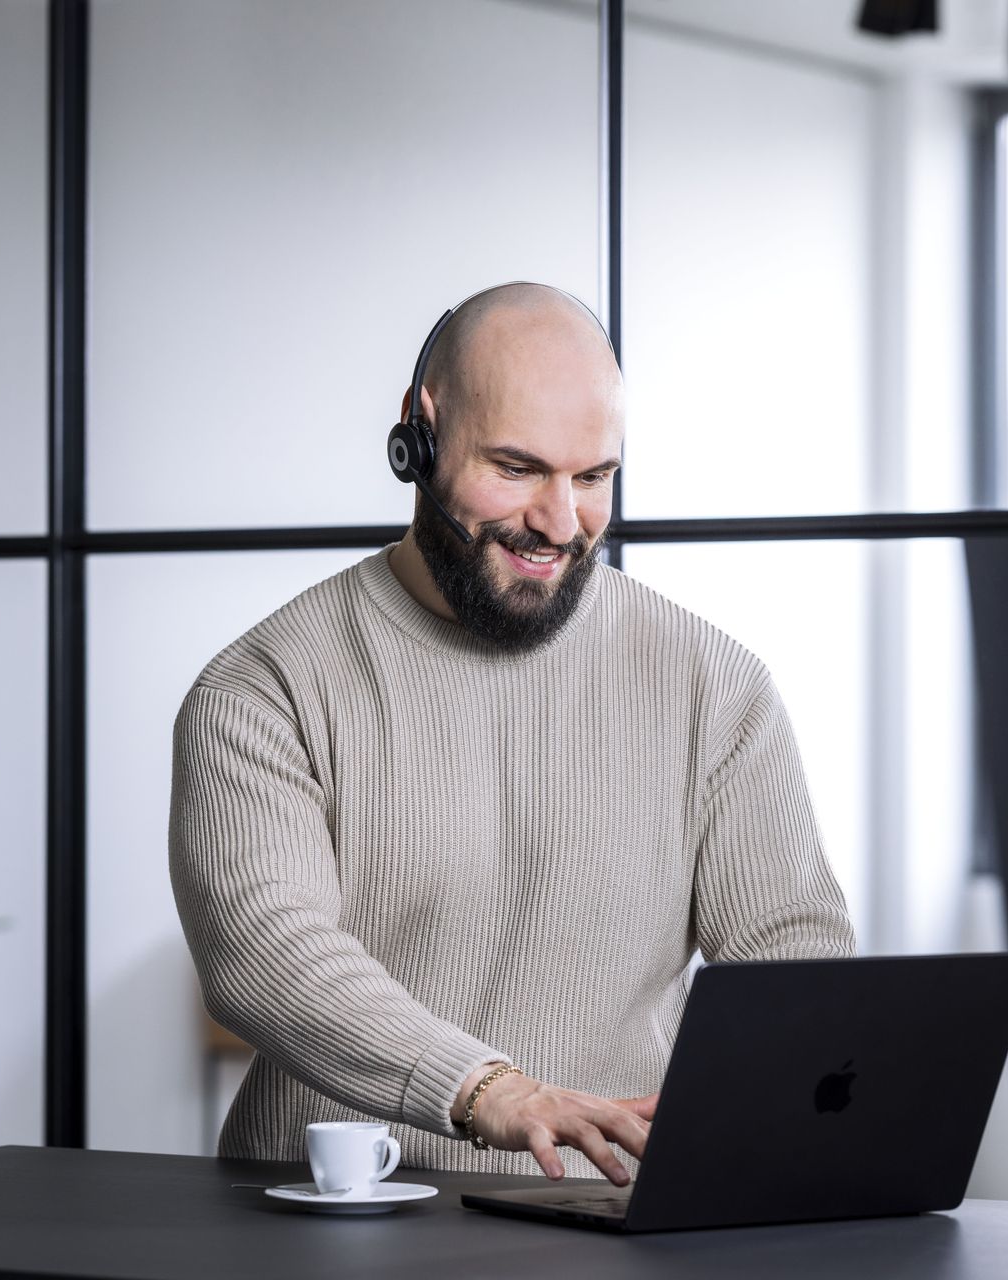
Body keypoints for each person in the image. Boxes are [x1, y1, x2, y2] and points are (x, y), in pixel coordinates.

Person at [168, 282, 855, 1186]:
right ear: (421, 433)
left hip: (611, 1224)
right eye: (518, 469)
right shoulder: (266, 685)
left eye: (594, 477)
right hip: (329, 1218)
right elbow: (265, 945)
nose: (559, 523)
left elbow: (793, 960)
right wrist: (489, 1091)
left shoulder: (714, 683)